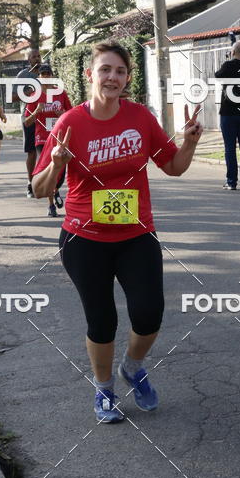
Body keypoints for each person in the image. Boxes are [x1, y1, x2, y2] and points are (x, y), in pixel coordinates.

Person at [32, 40, 203, 423]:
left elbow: (173, 166)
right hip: (83, 239)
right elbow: (40, 189)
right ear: (90, 75)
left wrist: (189, 143)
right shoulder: (71, 123)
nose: (113, 77)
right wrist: (57, 165)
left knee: (149, 313)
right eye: (105, 70)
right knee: (102, 319)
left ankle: (133, 367)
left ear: (127, 78)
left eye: (120, 71)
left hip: (136, 234)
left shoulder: (140, 118)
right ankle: (104, 388)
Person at [24, 62, 72, 216]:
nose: (45, 77)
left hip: (59, 137)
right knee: (48, 169)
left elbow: (72, 115)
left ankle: (56, 190)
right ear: (39, 77)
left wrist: (62, 114)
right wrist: (36, 112)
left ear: (52, 76)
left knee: (61, 172)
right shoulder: (34, 96)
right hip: (42, 138)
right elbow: (27, 121)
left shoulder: (61, 93)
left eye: (48, 74)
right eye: (42, 74)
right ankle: (51, 205)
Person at [215, 40, 240, 190]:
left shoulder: (227, 66)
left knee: (229, 148)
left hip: (228, 112)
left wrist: (229, 60)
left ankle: (231, 182)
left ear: (232, 52)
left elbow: (217, 76)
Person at [16, 48, 41, 198]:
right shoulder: (23, 75)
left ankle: (48, 184)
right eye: (33, 57)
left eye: (38, 56)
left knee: (47, 150)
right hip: (30, 116)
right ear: (28, 60)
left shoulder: (46, 72)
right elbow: (13, 96)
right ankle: (30, 183)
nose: (37, 59)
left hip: (47, 116)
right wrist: (30, 94)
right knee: (32, 152)